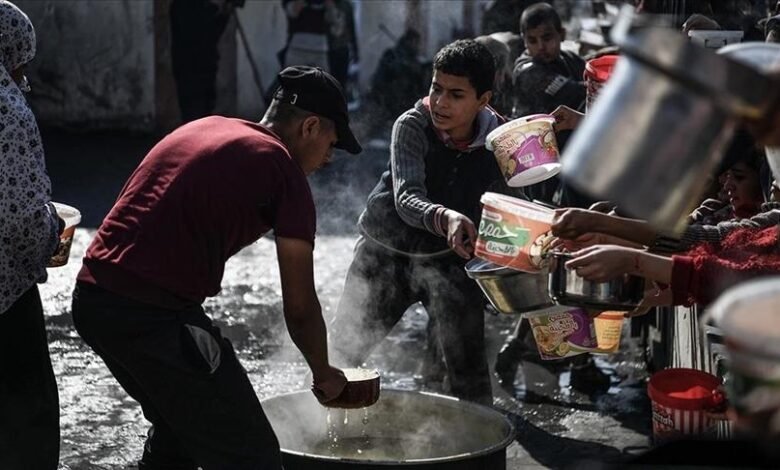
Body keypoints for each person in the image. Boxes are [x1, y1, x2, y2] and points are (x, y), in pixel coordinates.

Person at [71, 66, 360, 469]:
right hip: (151, 315)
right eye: (332, 143)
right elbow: (299, 306)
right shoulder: (284, 171)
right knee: (253, 455)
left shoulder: (207, 126)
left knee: (179, 430)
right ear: (310, 126)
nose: (329, 158)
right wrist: (323, 372)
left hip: (92, 299)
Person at [330, 39, 520, 406]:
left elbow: (514, 204)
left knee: (469, 375)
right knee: (343, 354)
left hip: (452, 261)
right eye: (436, 88)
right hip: (386, 254)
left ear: (483, 100)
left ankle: (474, 437)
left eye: (456, 94)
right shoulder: (412, 125)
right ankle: (320, 428)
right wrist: (446, 217)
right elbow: (406, 198)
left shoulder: (501, 139)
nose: (440, 102)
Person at [0, 2, 64, 469]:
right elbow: (20, 216)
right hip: (6, 294)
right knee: (26, 417)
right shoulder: (7, 110)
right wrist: (50, 234)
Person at [170, 0, 243, 123]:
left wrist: (224, 12)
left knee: (201, 107)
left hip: (200, 67)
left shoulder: (198, 8)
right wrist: (224, 13)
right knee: (195, 109)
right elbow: (205, 33)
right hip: (193, 68)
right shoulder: (188, 9)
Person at [282, 0, 330, 70]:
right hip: (297, 48)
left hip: (320, 49)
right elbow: (293, 13)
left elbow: (333, 20)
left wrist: (329, 5)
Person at [325, 0, 358, 91]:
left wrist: (355, 50)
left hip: (342, 49)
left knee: (341, 83)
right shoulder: (324, 4)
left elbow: (351, 28)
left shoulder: (346, 5)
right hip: (327, 50)